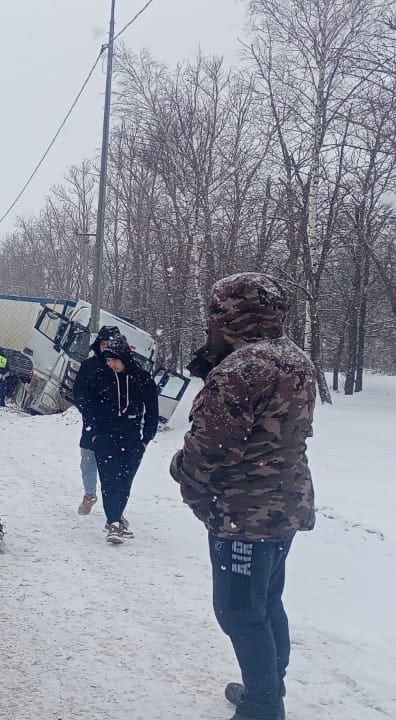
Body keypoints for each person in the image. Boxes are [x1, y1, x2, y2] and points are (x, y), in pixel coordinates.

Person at [170, 273, 316, 720]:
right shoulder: (294, 358)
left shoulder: (242, 369)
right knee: (266, 603)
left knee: (238, 612)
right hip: (284, 504)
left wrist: (179, 469)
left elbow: (211, 449)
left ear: (230, 313)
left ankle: (262, 705)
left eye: (216, 312)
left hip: (244, 513)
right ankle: (269, 687)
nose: (209, 321)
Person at [83, 334, 158, 543]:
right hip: (105, 437)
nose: (110, 364)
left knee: (125, 481)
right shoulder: (99, 378)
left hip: (133, 439)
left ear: (124, 357)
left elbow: (152, 409)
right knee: (109, 480)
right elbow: (87, 405)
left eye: (114, 360)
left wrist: (146, 438)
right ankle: (113, 522)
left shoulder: (142, 379)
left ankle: (116, 516)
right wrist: (95, 433)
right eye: (107, 360)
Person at [71, 326, 125, 515]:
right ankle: (89, 495)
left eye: (110, 344)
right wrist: (88, 412)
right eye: (103, 344)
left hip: (116, 426)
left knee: (113, 468)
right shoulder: (89, 366)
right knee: (88, 461)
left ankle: (116, 508)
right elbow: (78, 392)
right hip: (92, 423)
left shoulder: (123, 368)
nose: (106, 348)